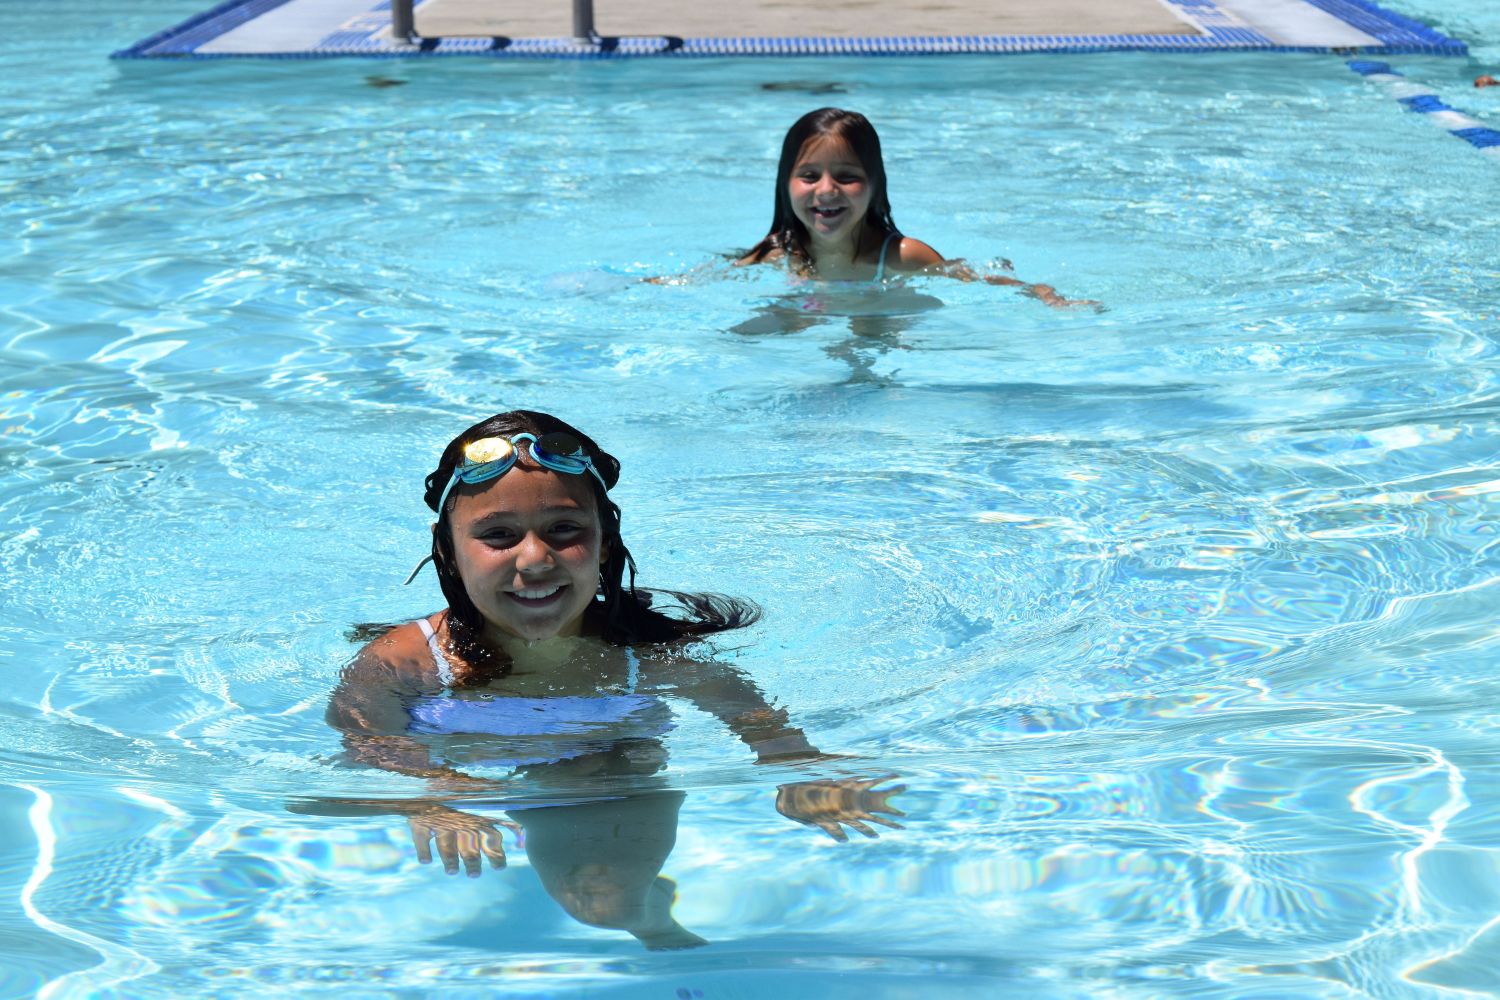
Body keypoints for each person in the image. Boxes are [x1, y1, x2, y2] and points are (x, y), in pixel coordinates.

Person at [304, 410, 903, 947]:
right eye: (498, 536)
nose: (535, 559)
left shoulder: (644, 657)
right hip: (477, 771)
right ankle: (649, 924)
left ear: (605, 543)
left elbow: (739, 703)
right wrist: (430, 792)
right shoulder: (407, 660)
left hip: (615, 762)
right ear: (450, 552)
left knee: (606, 900)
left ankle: (647, 921)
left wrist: (791, 763)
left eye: (565, 530)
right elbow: (360, 740)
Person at [737, 107, 1093, 308]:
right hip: (817, 319)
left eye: (846, 176)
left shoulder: (903, 256)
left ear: (875, 187)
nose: (826, 190)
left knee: (871, 324)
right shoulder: (780, 252)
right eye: (809, 176)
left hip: (884, 325)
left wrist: (1048, 296)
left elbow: (980, 280)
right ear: (786, 184)